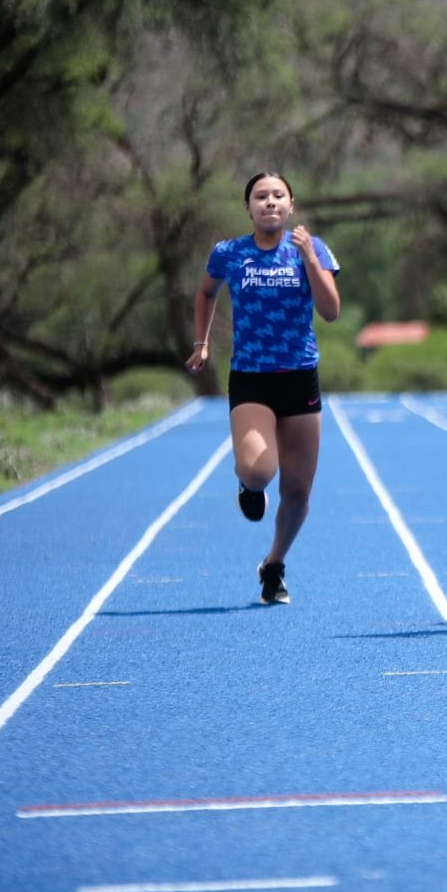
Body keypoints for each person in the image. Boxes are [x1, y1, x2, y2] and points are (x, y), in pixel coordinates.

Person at [185, 172, 341, 606]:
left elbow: (330, 311)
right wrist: (202, 343)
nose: (269, 202)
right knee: (258, 471)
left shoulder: (312, 249)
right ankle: (249, 487)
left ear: (291, 206)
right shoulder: (229, 253)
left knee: (297, 492)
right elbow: (205, 293)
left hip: (299, 377)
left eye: (278, 196)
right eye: (260, 196)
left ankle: (274, 564)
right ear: (248, 208)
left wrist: (310, 257)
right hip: (252, 378)